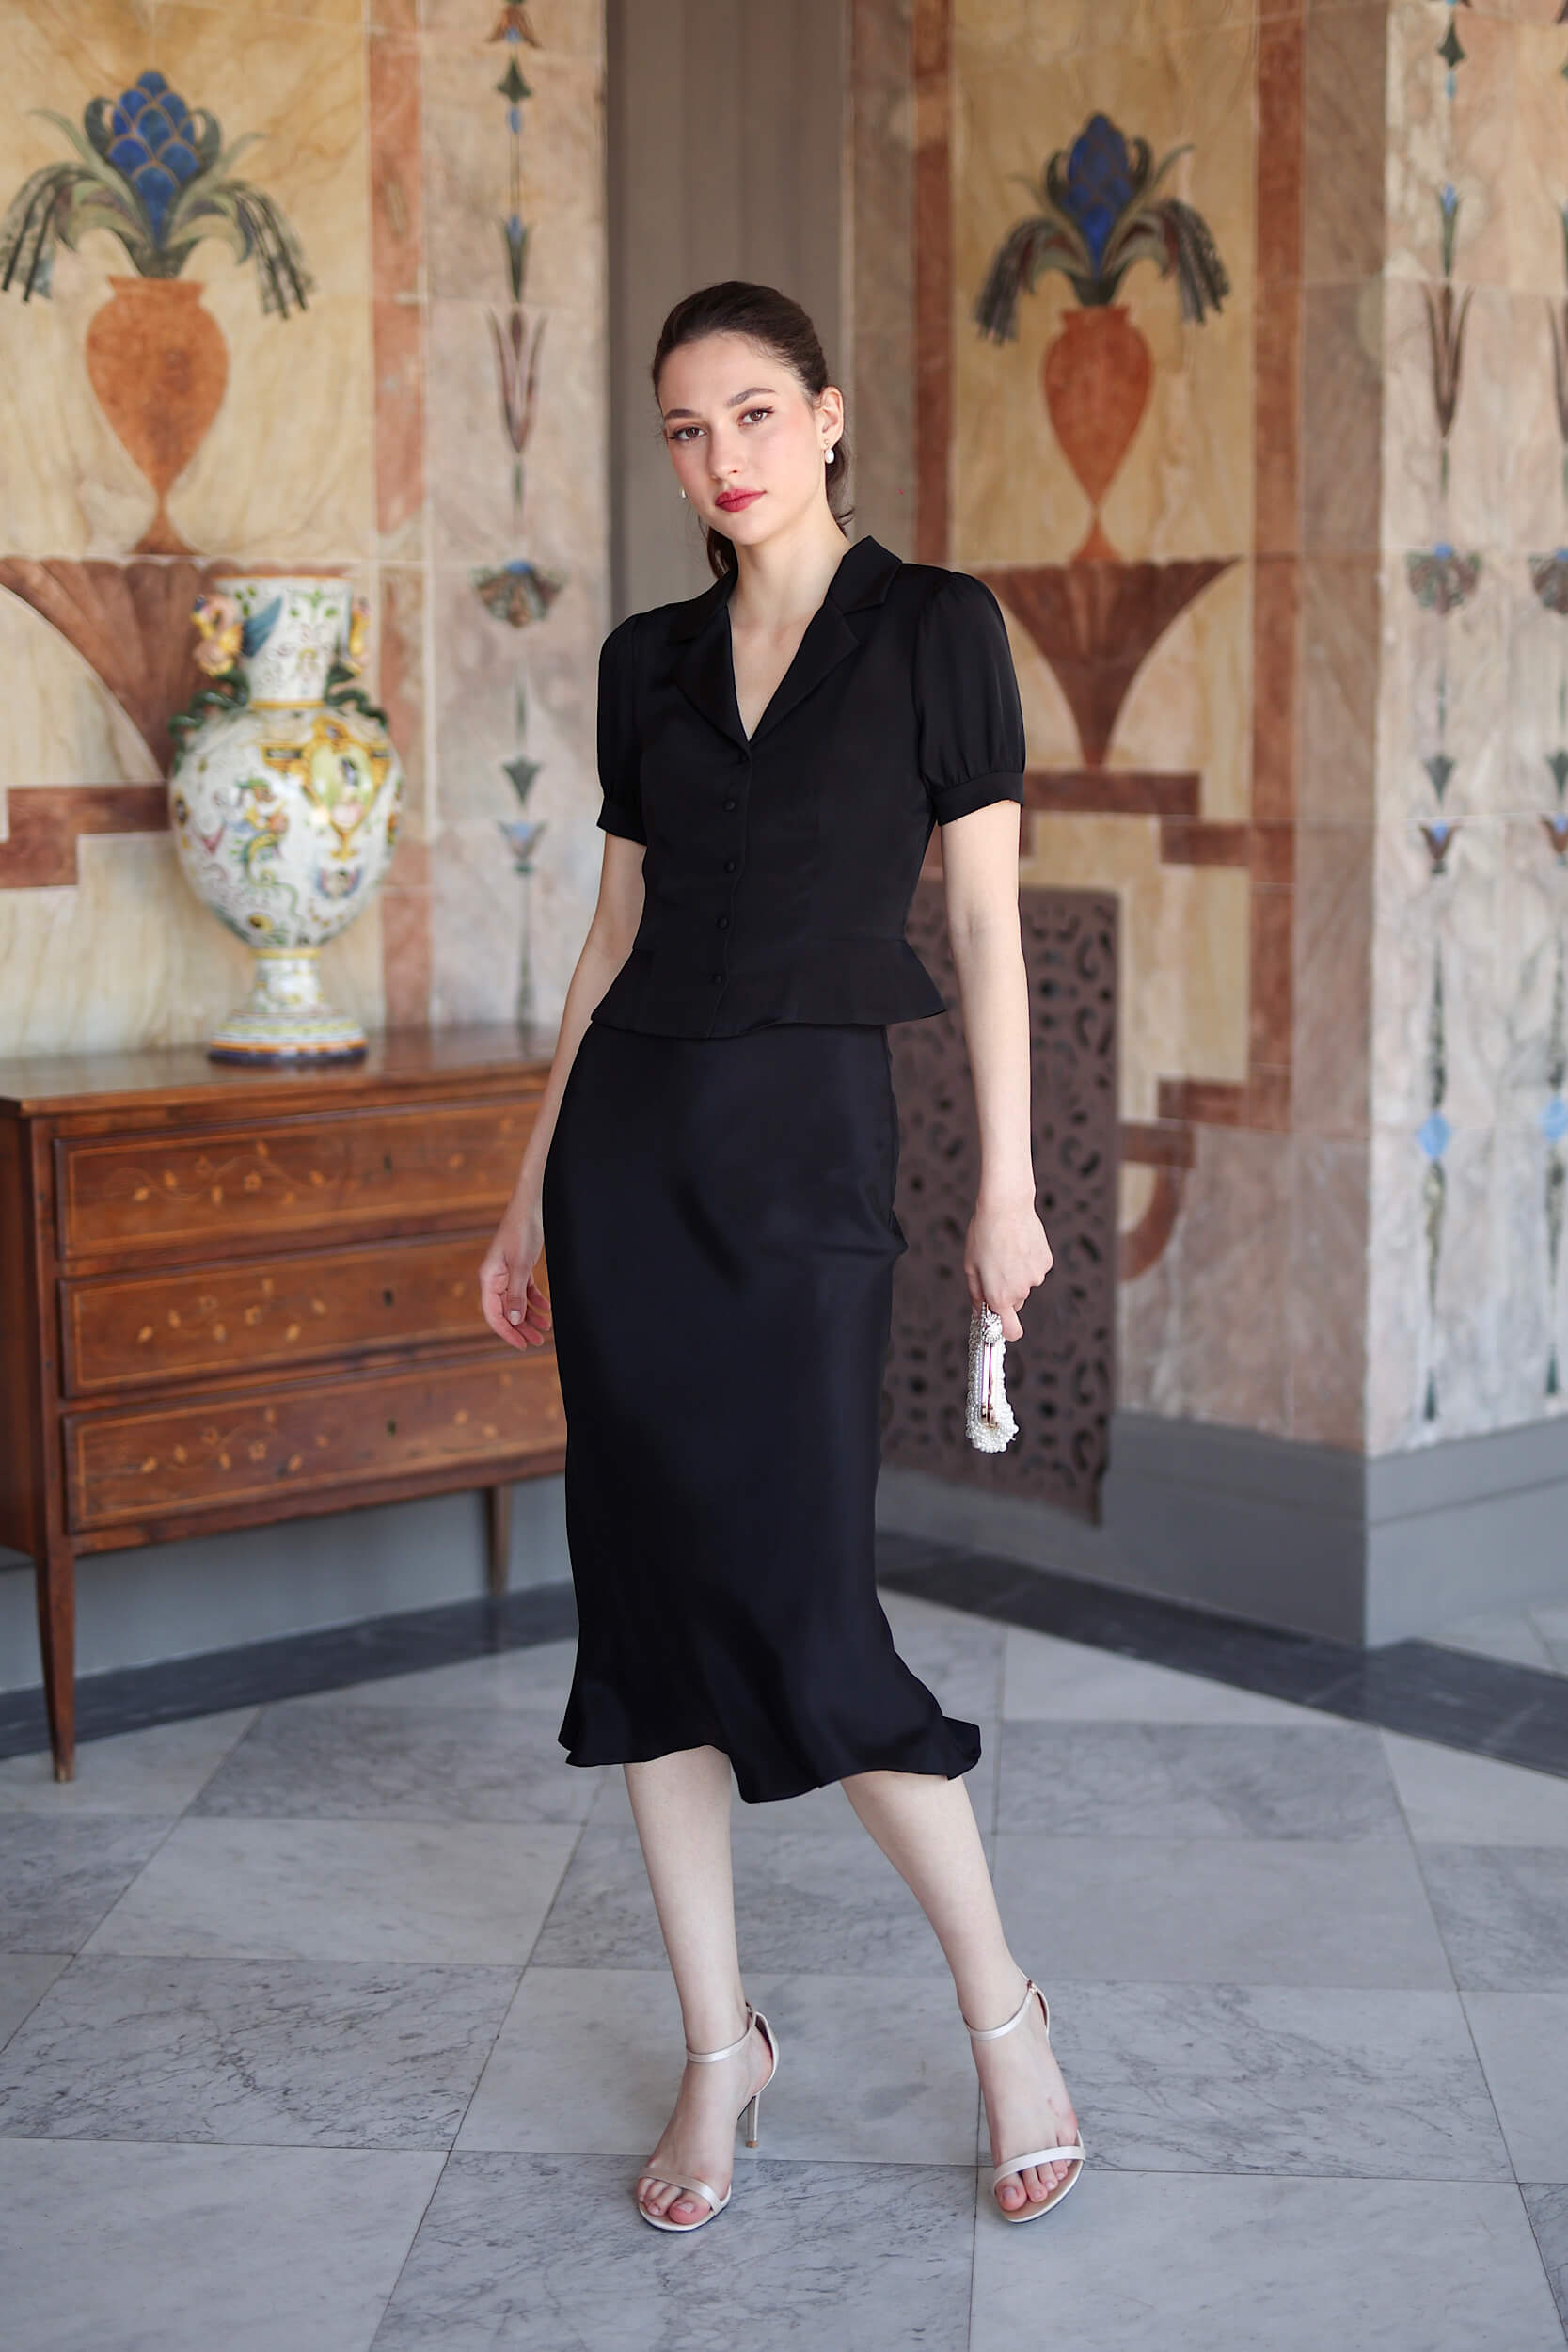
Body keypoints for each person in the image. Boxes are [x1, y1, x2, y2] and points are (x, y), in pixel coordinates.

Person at [480, 280, 1084, 2233]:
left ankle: (1004, 2014)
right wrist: (525, 1186)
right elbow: (608, 939)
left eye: (752, 412)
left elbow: (984, 931)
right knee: (647, 1618)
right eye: (685, 426)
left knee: (811, 1617)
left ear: (826, 416)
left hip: (810, 1156)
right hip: (629, 1160)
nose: (719, 455)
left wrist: (1008, 1188)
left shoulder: (937, 628)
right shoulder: (645, 661)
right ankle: (714, 2044)